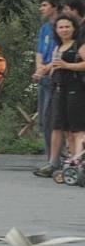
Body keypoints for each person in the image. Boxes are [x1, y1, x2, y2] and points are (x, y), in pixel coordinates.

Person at [35, 15, 85, 178]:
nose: (64, 30)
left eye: (67, 27)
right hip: (59, 89)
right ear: (56, 30)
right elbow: (54, 64)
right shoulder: (58, 47)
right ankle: (69, 164)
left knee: (77, 129)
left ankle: (78, 164)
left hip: (75, 90)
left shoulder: (79, 45)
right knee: (65, 131)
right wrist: (43, 70)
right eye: (60, 27)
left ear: (74, 28)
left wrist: (68, 65)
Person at [33, 0, 62, 168]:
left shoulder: (62, 26)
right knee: (43, 120)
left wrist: (46, 68)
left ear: (54, 7)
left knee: (52, 118)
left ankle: (56, 158)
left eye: (44, 5)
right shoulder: (44, 28)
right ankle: (49, 158)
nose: (41, 8)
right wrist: (39, 67)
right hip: (43, 77)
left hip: (54, 76)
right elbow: (39, 51)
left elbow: (61, 51)